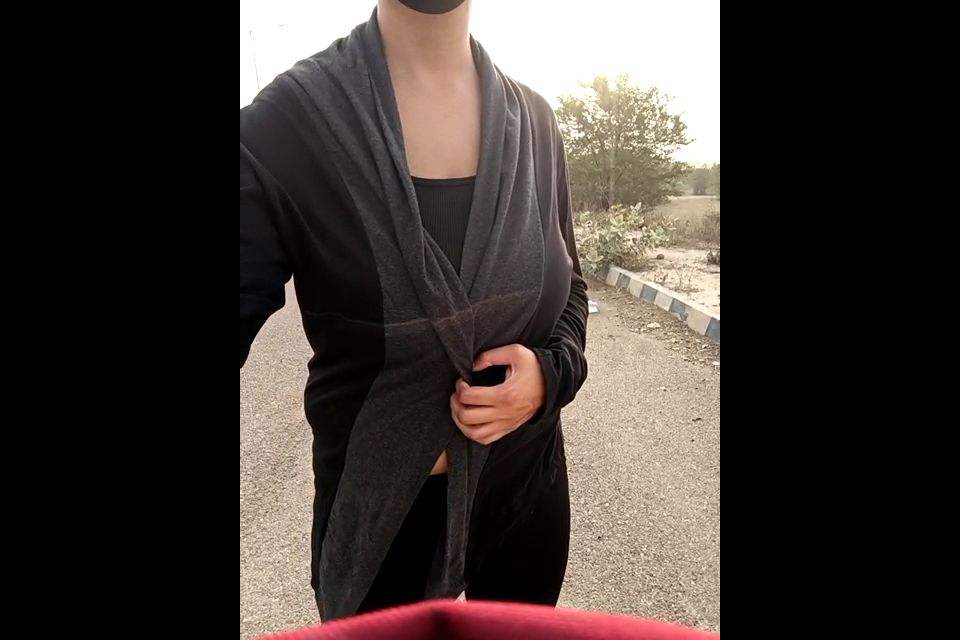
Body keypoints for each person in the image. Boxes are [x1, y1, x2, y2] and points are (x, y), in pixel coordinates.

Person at [240, 0, 589, 621]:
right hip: (381, 531)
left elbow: (573, 291)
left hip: (524, 499)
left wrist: (548, 376)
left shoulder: (535, 122)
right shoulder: (286, 128)